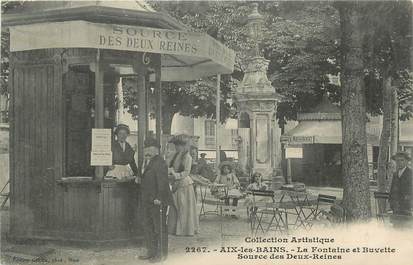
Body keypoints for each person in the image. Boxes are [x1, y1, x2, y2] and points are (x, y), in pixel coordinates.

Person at [137, 137, 173, 263]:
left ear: (157, 150)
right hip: (147, 200)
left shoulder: (160, 162)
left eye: (150, 148)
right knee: (149, 227)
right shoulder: (148, 161)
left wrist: (159, 198)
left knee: (159, 228)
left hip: (157, 201)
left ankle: (162, 254)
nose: (147, 151)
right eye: (146, 148)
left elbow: (162, 182)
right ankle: (151, 252)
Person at [167, 135, 199, 236]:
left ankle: (185, 230)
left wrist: (175, 175)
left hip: (184, 184)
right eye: (176, 146)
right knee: (175, 205)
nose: (177, 148)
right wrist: (170, 172)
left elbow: (186, 172)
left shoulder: (187, 157)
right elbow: (170, 167)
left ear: (184, 146)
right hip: (176, 183)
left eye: (179, 146)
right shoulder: (175, 156)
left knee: (184, 206)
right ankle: (174, 229)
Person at [389, 151, 412, 227]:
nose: (399, 162)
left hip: (406, 207)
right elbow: (392, 189)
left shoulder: (410, 173)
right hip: (395, 206)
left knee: (405, 227)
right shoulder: (395, 174)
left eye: (402, 160)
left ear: (406, 161)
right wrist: (391, 202)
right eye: (397, 160)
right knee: (395, 227)